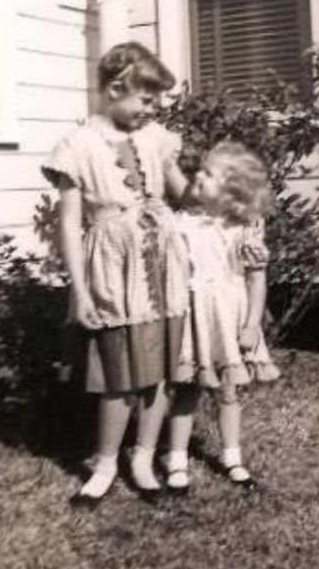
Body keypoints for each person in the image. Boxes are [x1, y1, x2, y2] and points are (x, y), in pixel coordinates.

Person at [42, 41, 190, 506]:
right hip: (114, 269)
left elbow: (185, 194)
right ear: (114, 89)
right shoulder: (78, 146)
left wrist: (224, 192)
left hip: (163, 263)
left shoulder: (157, 138)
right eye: (146, 99)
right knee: (117, 372)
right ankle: (105, 464)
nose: (153, 108)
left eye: (157, 101)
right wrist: (81, 292)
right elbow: (70, 224)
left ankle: (143, 458)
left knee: (161, 368)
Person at [167, 141, 280, 495]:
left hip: (229, 319)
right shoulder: (183, 224)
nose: (197, 176)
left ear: (231, 192)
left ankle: (233, 458)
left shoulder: (245, 231)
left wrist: (251, 325)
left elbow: (256, 280)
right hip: (194, 319)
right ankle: (176, 461)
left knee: (227, 392)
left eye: (208, 173)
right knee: (186, 391)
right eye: (199, 170)